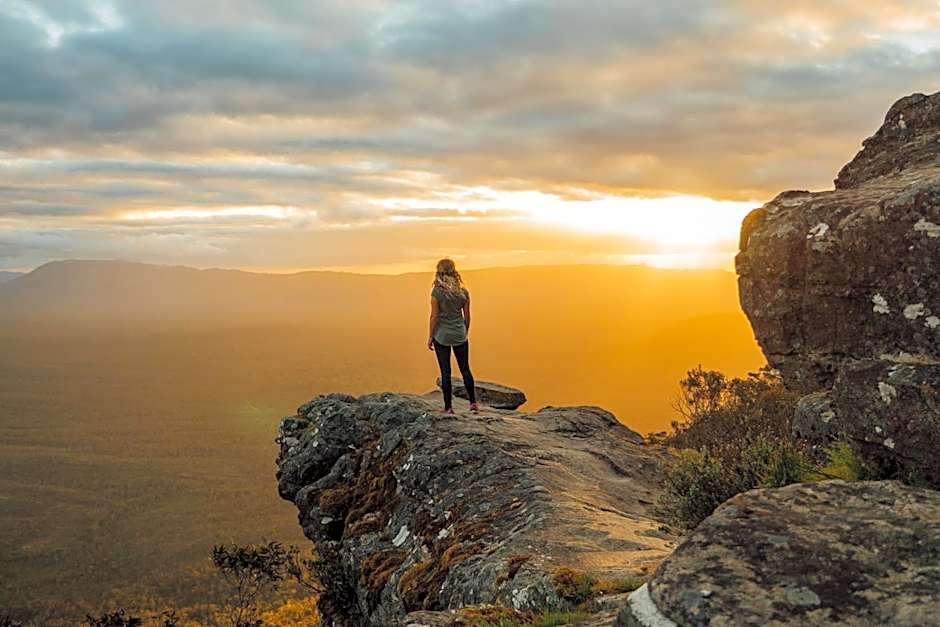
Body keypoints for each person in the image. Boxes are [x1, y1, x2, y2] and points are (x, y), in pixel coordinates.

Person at [427, 258, 478, 414]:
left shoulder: (436, 292)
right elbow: (467, 316)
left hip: (441, 335)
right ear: (454, 271)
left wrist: (430, 336)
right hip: (459, 334)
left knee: (445, 372)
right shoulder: (463, 292)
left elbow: (434, 316)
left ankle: (448, 408)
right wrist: (464, 331)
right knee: (465, 369)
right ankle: (473, 404)